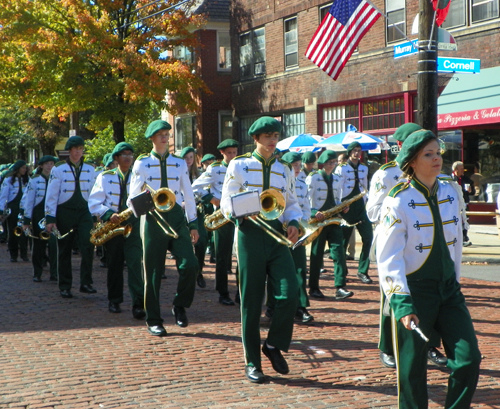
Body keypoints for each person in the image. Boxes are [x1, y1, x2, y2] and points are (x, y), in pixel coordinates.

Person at [376, 130, 481, 409]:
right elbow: (388, 257)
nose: (437, 159)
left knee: (469, 358)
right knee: (411, 370)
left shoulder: (449, 190)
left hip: (449, 289)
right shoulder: (397, 200)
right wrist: (401, 302)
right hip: (416, 292)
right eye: (428, 154)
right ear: (411, 161)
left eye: (438, 152)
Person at [220, 116, 301, 384]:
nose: (273, 141)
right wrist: (239, 212)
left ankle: (274, 345)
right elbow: (226, 200)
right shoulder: (240, 164)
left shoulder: (283, 168)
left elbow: (291, 202)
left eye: (276, 136)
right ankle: (253, 362)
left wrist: (293, 221)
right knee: (252, 302)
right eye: (267, 136)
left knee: (290, 293)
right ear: (256, 139)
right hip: (249, 234)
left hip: (277, 236)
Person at [128, 120, 199, 337]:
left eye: (167, 134)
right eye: (160, 134)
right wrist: (145, 205)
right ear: (152, 138)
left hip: (176, 216)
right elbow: (132, 197)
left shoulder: (179, 163)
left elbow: (188, 193)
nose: (164, 138)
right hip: (152, 219)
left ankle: (180, 304)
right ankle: (154, 319)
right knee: (153, 272)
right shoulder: (141, 163)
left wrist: (193, 223)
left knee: (190, 264)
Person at [88, 142, 145, 319]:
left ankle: (138, 303)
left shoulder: (140, 177)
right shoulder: (105, 177)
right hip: (114, 226)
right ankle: (114, 300)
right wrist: (108, 214)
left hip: (134, 225)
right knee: (114, 265)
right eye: (124, 154)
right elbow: (94, 202)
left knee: (135, 265)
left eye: (130, 154)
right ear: (116, 158)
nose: (128, 157)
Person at [45, 136, 97, 298]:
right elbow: (52, 195)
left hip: (84, 212)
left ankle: (86, 282)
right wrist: (50, 218)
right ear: (69, 151)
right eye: (75, 149)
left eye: (80, 149)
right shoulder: (59, 169)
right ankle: (65, 285)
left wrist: (96, 214)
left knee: (88, 246)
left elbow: (95, 193)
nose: (78, 152)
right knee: (65, 249)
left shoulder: (90, 169)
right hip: (65, 211)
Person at [192, 139, 239, 306]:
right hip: (221, 216)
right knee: (222, 255)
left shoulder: (241, 166)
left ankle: (241, 291)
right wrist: (212, 200)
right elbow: (196, 187)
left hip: (240, 213)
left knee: (241, 254)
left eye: (234, 152)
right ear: (222, 153)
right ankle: (223, 292)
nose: (232, 155)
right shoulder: (215, 169)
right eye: (229, 153)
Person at [306, 150, 353, 300]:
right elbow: (305, 201)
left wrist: (343, 207)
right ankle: (313, 287)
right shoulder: (313, 177)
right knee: (316, 254)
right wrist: (314, 212)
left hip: (334, 219)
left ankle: (340, 287)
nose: (332, 165)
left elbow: (338, 198)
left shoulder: (337, 178)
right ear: (323, 163)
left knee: (339, 252)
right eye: (329, 163)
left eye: (333, 162)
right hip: (319, 221)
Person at [335, 141, 373, 284]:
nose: (357, 153)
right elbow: (337, 188)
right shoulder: (342, 168)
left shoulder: (364, 168)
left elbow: (366, 186)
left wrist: (366, 201)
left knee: (368, 237)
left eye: (359, 150)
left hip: (360, 206)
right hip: (347, 206)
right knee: (344, 241)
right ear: (350, 152)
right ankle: (342, 271)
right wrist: (340, 206)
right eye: (355, 150)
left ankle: (363, 270)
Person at [282, 151, 314, 322]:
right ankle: (274, 306)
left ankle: (300, 307)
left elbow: (306, 206)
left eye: (299, 165)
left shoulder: (302, 184)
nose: (298, 168)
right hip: (280, 231)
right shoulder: (279, 181)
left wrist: (305, 225)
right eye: (294, 165)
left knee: (300, 269)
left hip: (298, 231)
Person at [22, 155, 58, 282]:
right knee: (38, 245)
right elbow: (29, 200)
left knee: (54, 245)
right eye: (47, 163)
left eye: (52, 163)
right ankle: (37, 273)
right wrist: (27, 220)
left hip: (53, 214)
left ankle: (54, 272)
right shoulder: (35, 180)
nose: (49, 166)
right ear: (41, 166)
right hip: (38, 213)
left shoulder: (57, 178)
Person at [180, 146, 207, 289]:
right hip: (182, 213)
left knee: (201, 241)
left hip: (198, 212)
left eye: (191, 157)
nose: (189, 160)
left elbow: (205, 190)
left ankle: (199, 271)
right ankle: (189, 272)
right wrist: (182, 203)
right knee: (185, 244)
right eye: (186, 157)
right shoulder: (176, 173)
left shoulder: (200, 174)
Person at [0, 160, 30, 262]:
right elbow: (3, 195)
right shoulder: (9, 179)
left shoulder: (27, 179)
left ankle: (24, 253)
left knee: (24, 231)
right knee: (13, 231)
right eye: (23, 168)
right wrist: (1, 210)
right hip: (13, 208)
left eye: (25, 168)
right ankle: (13, 254)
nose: (24, 170)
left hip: (24, 208)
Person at [451, 161, 474, 246]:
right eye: (460, 169)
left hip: (464, 203)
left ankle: (464, 237)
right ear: (455, 170)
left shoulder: (467, 180)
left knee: (465, 220)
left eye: (462, 169)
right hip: (453, 204)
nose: (463, 171)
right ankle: (455, 237)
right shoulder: (450, 179)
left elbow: (473, 193)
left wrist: (470, 191)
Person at [338, 153, 355, 260]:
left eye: (340, 160)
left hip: (348, 202)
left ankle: (350, 252)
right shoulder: (340, 170)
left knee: (350, 228)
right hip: (341, 203)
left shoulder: (348, 170)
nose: (338, 163)